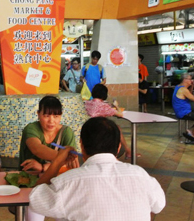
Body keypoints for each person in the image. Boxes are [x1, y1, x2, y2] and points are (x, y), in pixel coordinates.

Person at [29, 117, 166, 221]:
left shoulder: (68, 182)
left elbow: (35, 200)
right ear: (118, 147)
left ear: (81, 146)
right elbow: (158, 206)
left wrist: (58, 160)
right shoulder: (141, 175)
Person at [19, 95, 79, 221]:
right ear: (38, 114)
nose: (51, 121)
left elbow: (70, 165)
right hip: (32, 185)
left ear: (61, 116)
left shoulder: (66, 132)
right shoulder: (31, 129)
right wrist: (64, 158)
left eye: (56, 116)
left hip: (58, 185)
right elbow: (37, 148)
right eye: (46, 116)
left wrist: (43, 167)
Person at [84, 84, 133, 159]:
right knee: (117, 128)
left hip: (88, 128)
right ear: (104, 95)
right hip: (99, 130)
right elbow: (120, 114)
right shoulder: (103, 106)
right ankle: (127, 151)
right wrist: (116, 106)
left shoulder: (87, 103)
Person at [172, 73, 194, 144]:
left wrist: (192, 86)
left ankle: (189, 131)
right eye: (190, 79)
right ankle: (192, 135)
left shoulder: (178, 87)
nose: (191, 81)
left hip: (182, 111)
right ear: (185, 80)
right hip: (183, 113)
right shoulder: (183, 89)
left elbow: (188, 95)